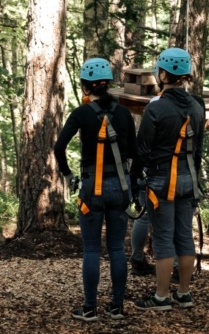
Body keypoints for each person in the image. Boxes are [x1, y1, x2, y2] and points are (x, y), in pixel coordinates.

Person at [54, 58, 138, 322]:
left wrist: (69, 176)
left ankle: (89, 307)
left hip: (92, 188)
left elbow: (59, 147)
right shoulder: (124, 113)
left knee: (91, 248)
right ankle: (116, 306)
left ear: (86, 85)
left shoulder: (81, 113)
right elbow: (135, 154)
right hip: (121, 185)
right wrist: (133, 186)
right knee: (116, 248)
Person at [133, 47, 206, 311]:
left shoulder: (157, 108)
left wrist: (134, 179)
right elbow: (197, 150)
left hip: (162, 181)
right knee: (184, 235)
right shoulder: (197, 107)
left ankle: (161, 296)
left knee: (164, 238)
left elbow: (142, 150)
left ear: (163, 74)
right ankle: (184, 293)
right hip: (188, 179)